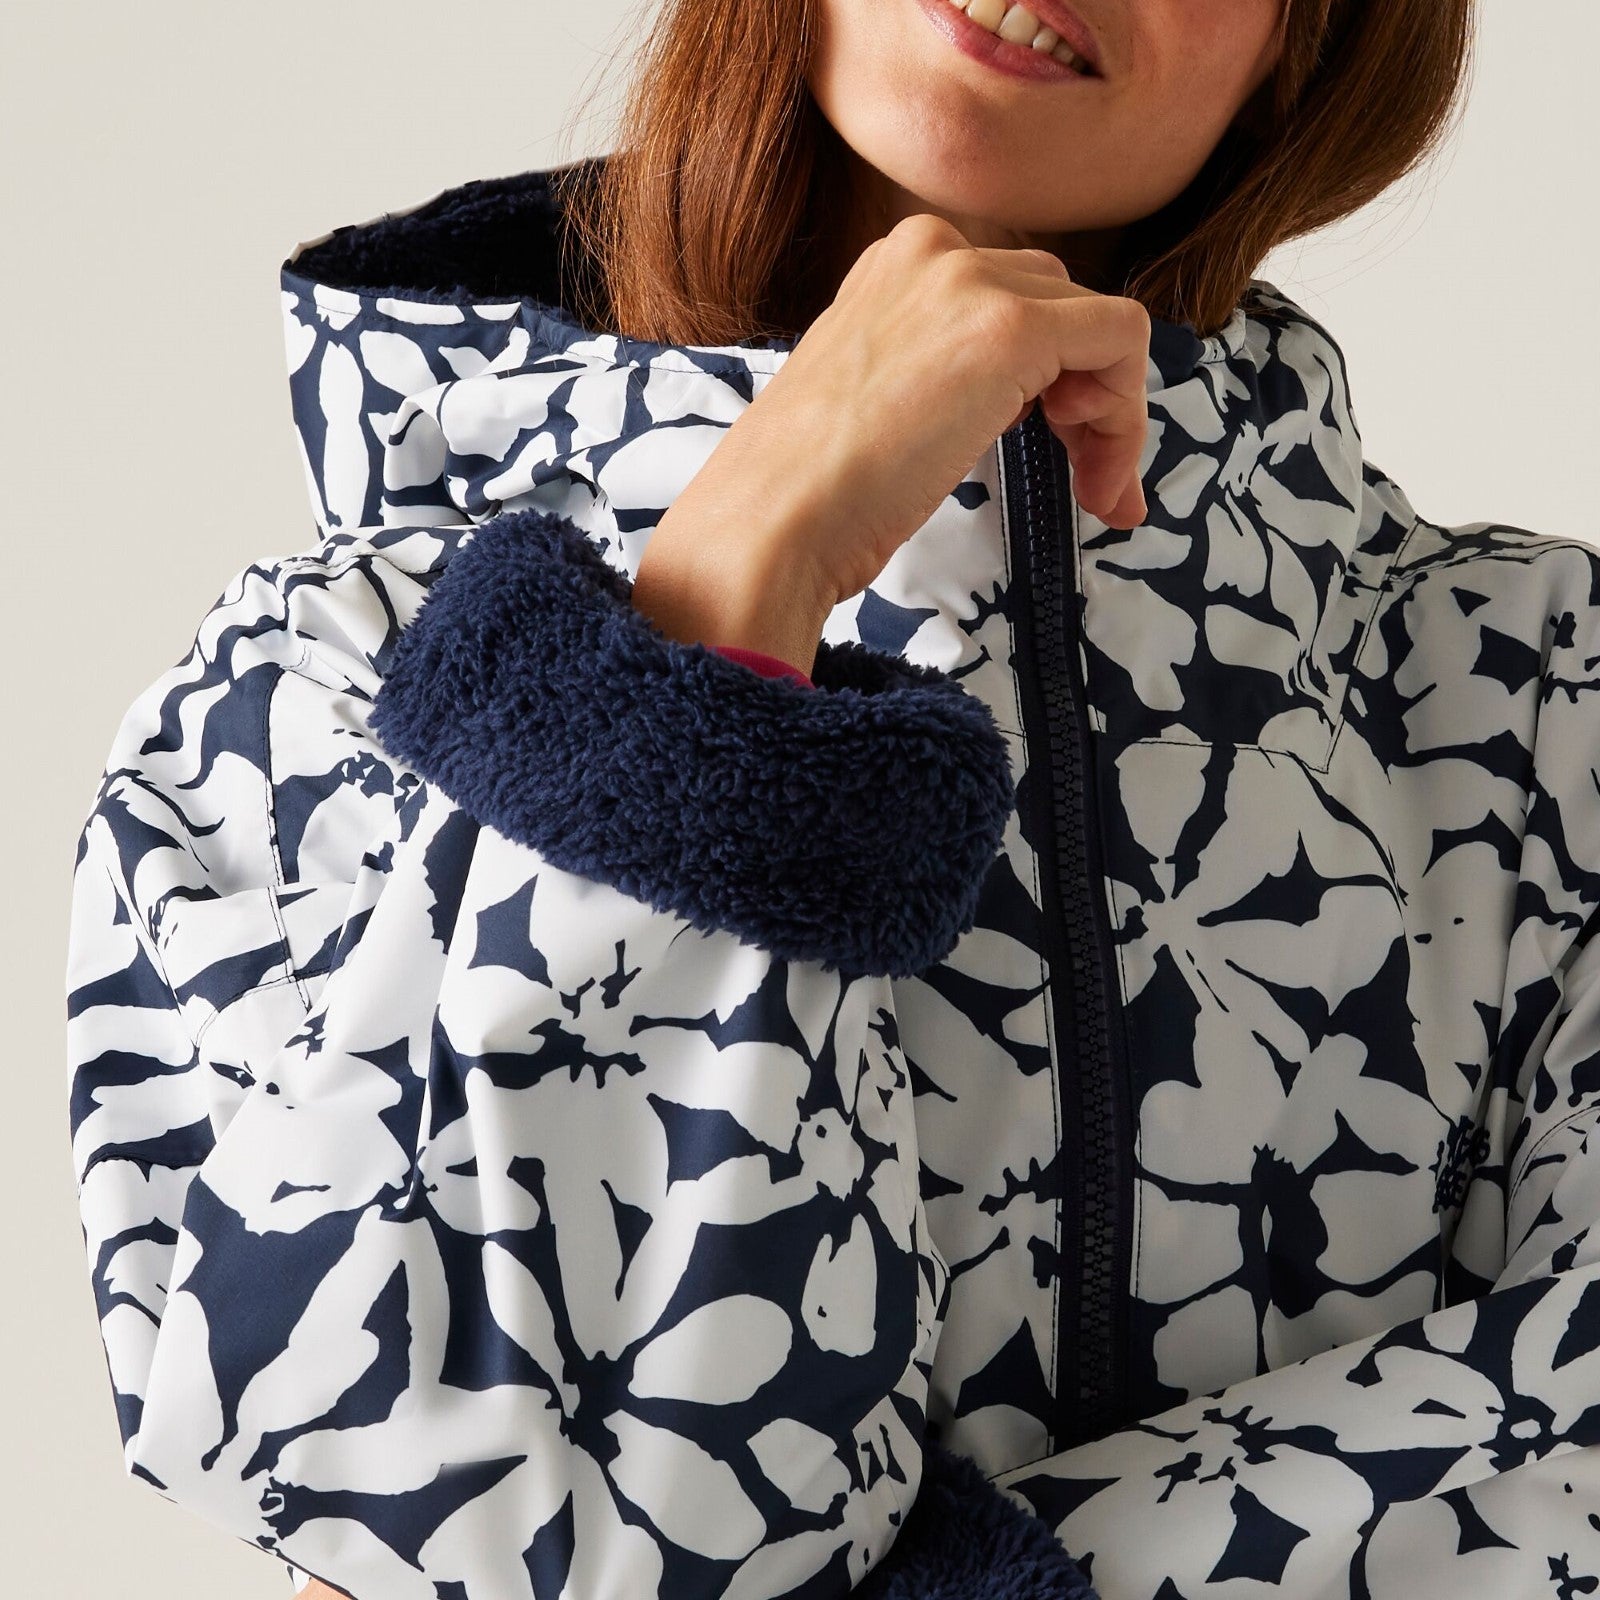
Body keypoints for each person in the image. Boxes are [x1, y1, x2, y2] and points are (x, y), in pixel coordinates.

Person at [63, 0, 1600, 1595]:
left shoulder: (1536, 695)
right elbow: (484, 1522)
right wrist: (735, 584)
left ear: (1309, 42)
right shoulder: (307, 694)